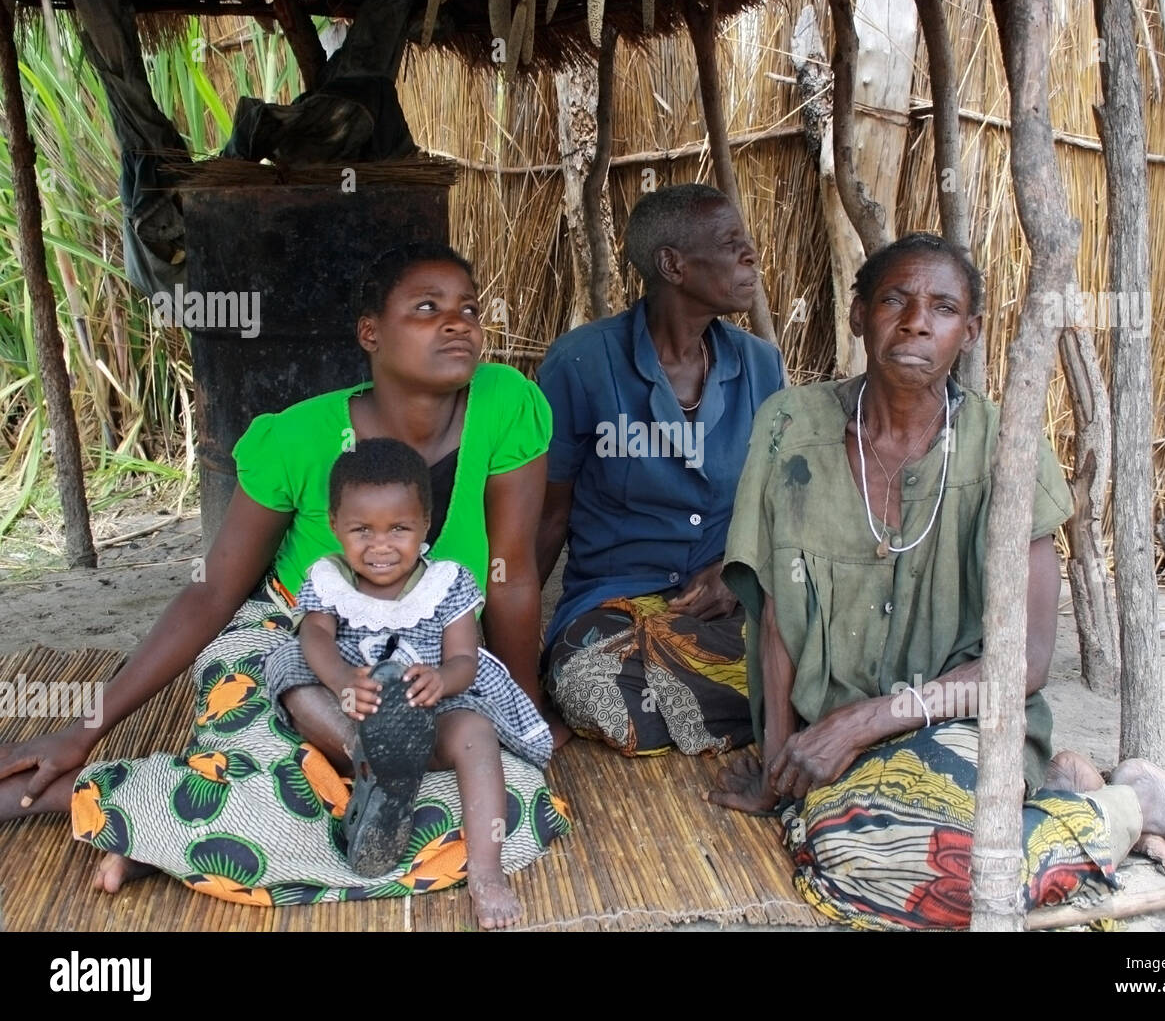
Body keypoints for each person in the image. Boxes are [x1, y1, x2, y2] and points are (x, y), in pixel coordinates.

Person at [710, 232, 1165, 929]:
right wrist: (777, 762)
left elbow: (1026, 662)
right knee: (870, 846)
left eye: (943, 308)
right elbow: (774, 616)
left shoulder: (1008, 445)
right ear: (858, 315)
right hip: (831, 732)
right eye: (895, 300)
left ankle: (1125, 804)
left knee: (908, 866)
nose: (917, 321)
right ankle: (1079, 802)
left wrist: (871, 720)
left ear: (969, 333)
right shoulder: (790, 425)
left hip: (963, 722)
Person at [0, 243, 569, 920]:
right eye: (427, 308)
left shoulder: (507, 405)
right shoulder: (298, 439)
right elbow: (212, 591)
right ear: (371, 332)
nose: (458, 323)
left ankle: (162, 824)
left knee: (516, 797)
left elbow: (510, 577)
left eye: (469, 309)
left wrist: (522, 720)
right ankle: (114, 793)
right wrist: (84, 727)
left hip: (421, 654)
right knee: (296, 770)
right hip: (294, 640)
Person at [536, 184, 785, 756]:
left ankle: (718, 707)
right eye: (732, 244)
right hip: (614, 605)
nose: (751, 255)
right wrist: (514, 656)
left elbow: (773, 503)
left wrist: (732, 568)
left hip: (728, 603)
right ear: (673, 265)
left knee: (814, 653)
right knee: (588, 684)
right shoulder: (582, 363)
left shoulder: (760, 365)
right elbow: (550, 517)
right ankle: (758, 711)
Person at [264, 437, 552, 927]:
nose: (380, 546)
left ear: (425, 524)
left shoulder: (447, 581)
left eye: (399, 528)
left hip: (428, 711)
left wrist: (442, 678)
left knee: (476, 733)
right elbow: (314, 633)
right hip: (351, 708)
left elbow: (466, 657)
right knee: (292, 671)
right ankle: (367, 755)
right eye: (361, 530)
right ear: (334, 526)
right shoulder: (327, 577)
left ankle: (486, 873)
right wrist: (340, 681)